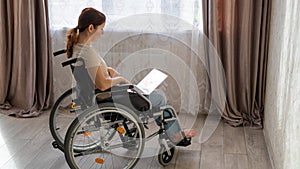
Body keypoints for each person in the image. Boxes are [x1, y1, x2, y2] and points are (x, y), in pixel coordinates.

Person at [65, 7, 195, 145]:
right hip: (108, 98)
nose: (102, 33)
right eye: (101, 28)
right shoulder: (88, 53)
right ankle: (174, 135)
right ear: (91, 28)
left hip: (100, 96)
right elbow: (102, 85)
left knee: (149, 92)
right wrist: (120, 79)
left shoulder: (78, 47)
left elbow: (92, 72)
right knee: (160, 97)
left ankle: (170, 131)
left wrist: (107, 69)